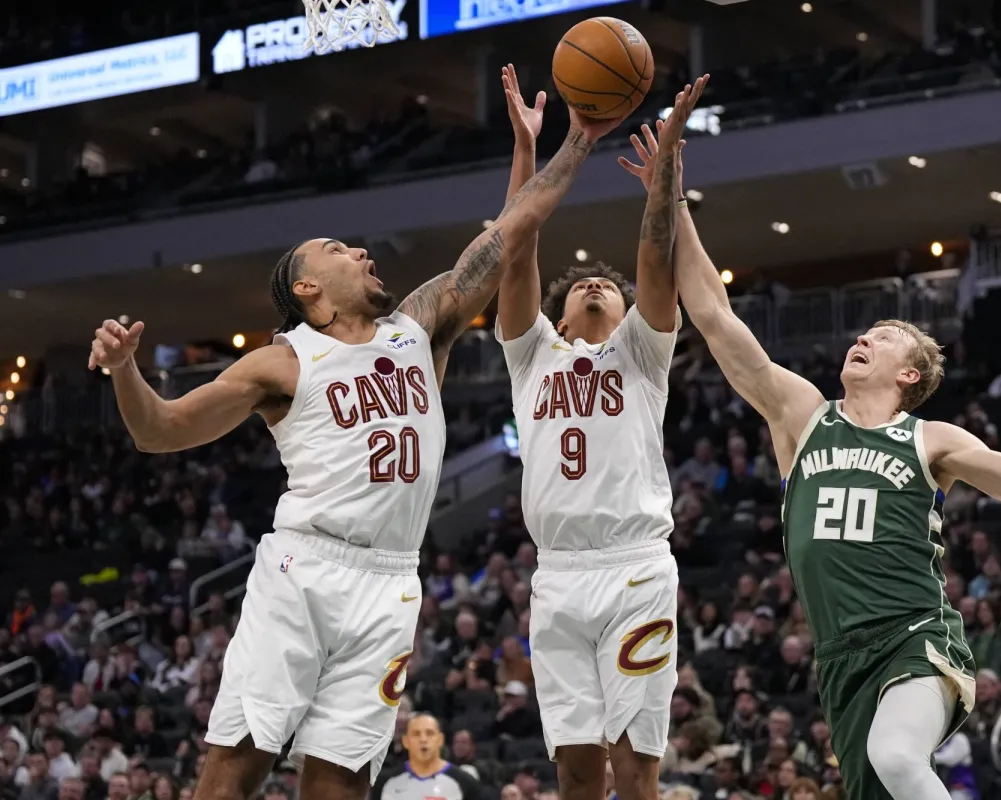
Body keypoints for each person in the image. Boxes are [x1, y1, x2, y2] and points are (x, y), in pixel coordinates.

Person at [86, 72, 632, 800]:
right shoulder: (284, 361)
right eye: (339, 250)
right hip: (305, 570)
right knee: (235, 768)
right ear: (306, 288)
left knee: (340, 782)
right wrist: (125, 370)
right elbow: (160, 432)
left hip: (391, 582)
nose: (363, 253)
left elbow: (511, 231)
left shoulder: (420, 325)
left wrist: (578, 140)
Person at [619, 126, 1001, 800]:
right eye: (863, 333)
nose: (863, 339)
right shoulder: (802, 416)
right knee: (883, 781)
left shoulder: (931, 439)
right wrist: (671, 198)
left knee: (897, 758)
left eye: (883, 337)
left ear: (910, 374)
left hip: (915, 635)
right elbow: (713, 313)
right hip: (839, 658)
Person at [495, 65, 708, 800]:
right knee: (577, 769)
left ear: (627, 311)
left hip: (635, 567)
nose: (595, 283)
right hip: (557, 574)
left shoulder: (643, 352)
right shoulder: (532, 355)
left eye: (609, 287)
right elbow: (514, 249)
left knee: (636, 765)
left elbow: (656, 257)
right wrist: (527, 149)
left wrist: (664, 174)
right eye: (583, 283)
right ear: (556, 317)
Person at [372, 714, 483, 800]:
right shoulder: (384, 783)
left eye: (430, 733)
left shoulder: (466, 783)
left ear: (440, 740)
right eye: (416, 734)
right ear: (406, 741)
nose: (423, 740)